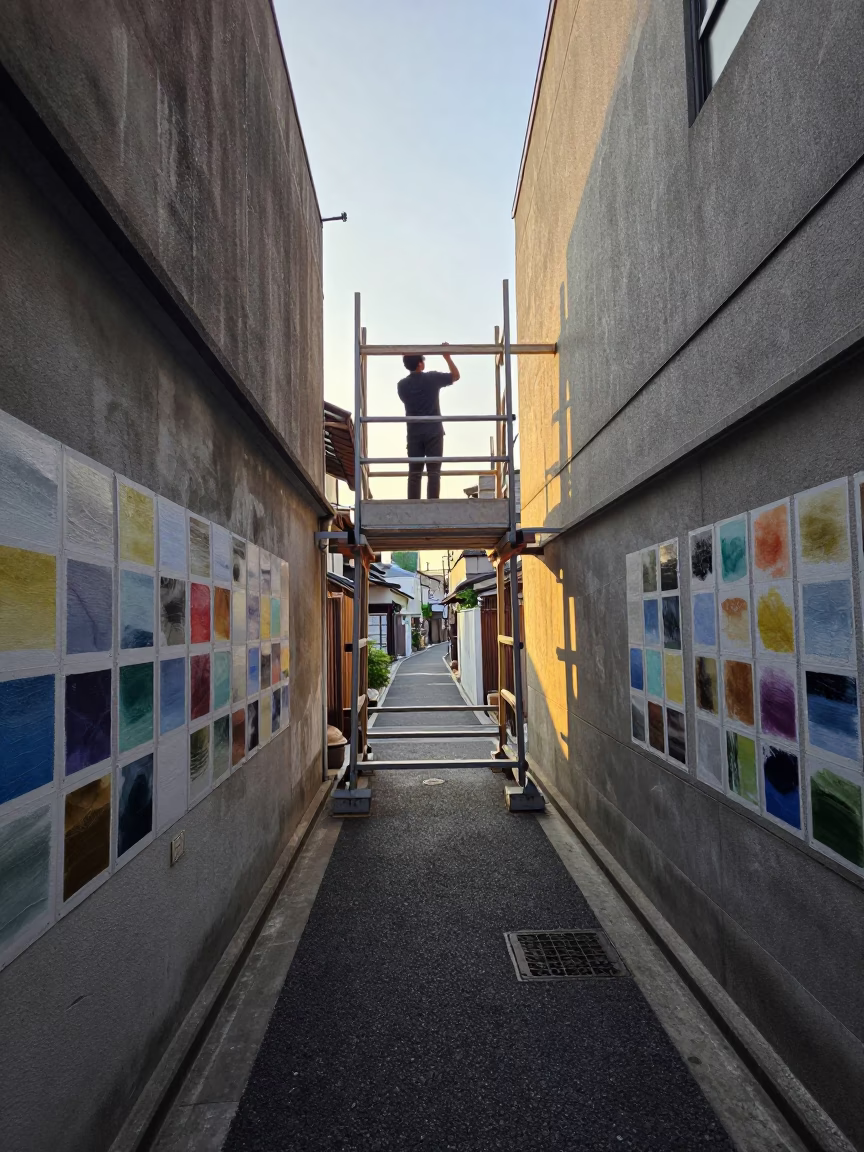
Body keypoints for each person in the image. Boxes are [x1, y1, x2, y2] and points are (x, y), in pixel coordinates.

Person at [396, 345, 460, 499]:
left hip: (414, 433)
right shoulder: (432, 378)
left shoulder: (402, 385)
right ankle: (432, 505)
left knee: (414, 473)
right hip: (433, 431)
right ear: (420, 364)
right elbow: (456, 376)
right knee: (434, 472)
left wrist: (408, 358)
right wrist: (447, 357)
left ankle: (413, 507)